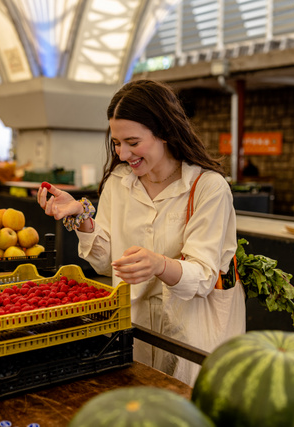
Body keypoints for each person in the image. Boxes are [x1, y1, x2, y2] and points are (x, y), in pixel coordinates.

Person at [37, 79, 245, 386]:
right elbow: (106, 262)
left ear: (164, 132)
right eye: (117, 143)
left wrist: (160, 264)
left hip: (195, 330)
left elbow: (203, 275)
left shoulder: (208, 188)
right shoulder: (118, 183)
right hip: (134, 327)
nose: (122, 154)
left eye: (133, 143)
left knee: (186, 410)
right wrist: (81, 217)